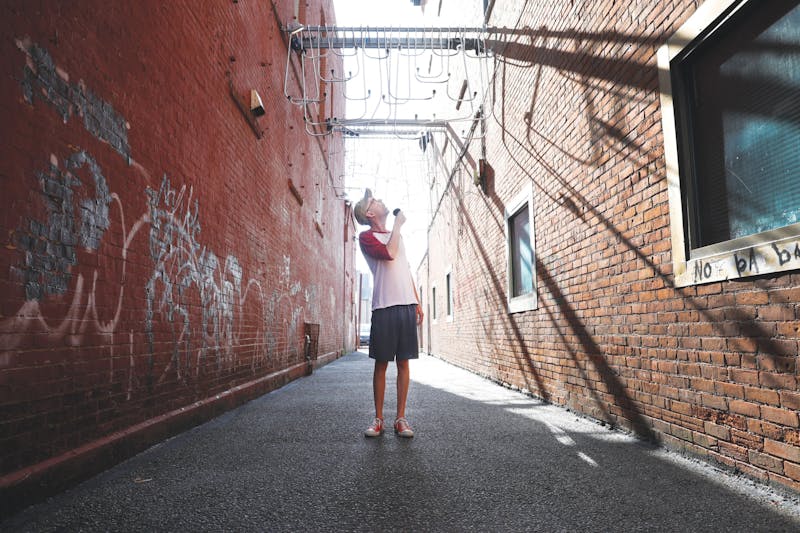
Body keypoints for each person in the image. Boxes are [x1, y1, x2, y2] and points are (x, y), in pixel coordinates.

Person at [353, 188, 423, 438]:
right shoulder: (366, 237)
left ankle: (400, 419)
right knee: (381, 364)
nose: (381, 200)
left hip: (405, 304)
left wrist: (416, 301)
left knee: (403, 363)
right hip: (383, 306)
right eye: (374, 201)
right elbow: (390, 253)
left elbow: (404, 267)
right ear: (370, 213)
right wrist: (398, 224)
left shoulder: (396, 236)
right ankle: (379, 418)